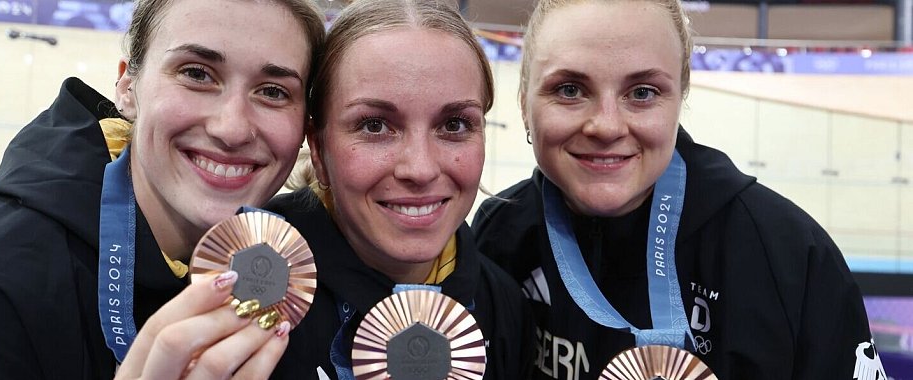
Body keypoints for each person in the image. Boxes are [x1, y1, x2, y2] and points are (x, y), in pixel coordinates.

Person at [0, 0, 324, 378]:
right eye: (197, 74)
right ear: (128, 87)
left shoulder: (287, 287)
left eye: (272, 92)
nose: (231, 128)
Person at [473, 1, 885, 379]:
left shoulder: (789, 254)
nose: (607, 126)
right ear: (524, 100)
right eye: (569, 90)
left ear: (680, 97)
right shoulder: (499, 235)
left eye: (642, 93)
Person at [263, 0, 533, 378]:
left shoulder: (503, 305)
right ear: (319, 149)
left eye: (454, 124)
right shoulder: (249, 273)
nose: (420, 169)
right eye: (375, 126)